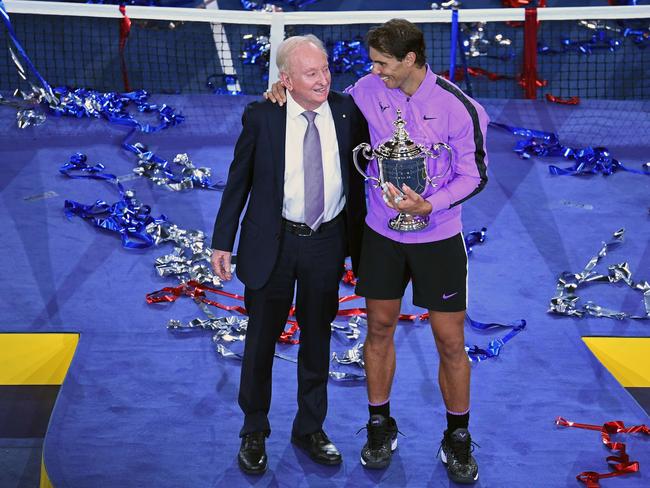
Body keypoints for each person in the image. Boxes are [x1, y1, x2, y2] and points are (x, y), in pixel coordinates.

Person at [265, 19, 488, 484]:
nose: (374, 70)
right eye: (372, 62)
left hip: (439, 239)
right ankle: (379, 424)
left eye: (383, 62)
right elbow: (323, 104)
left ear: (409, 59)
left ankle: (458, 436)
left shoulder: (458, 107)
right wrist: (282, 91)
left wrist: (433, 203)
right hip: (381, 239)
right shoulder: (366, 91)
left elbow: (475, 175)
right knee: (379, 329)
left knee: (450, 341)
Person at [210, 35, 368, 475]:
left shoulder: (347, 111)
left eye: (325, 69)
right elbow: (237, 181)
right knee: (261, 340)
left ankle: (310, 427)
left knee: (317, 338)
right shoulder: (262, 117)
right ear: (286, 80)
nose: (323, 79)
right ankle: (254, 429)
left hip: (327, 241)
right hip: (272, 244)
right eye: (311, 73)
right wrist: (222, 240)